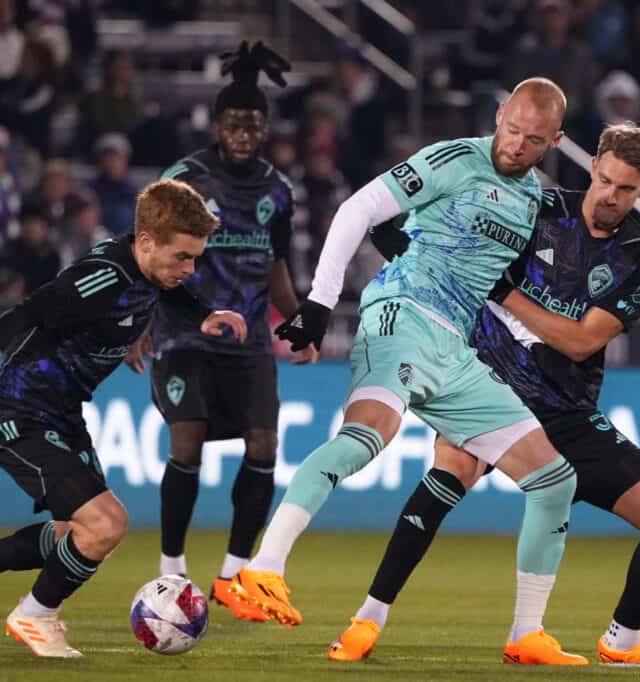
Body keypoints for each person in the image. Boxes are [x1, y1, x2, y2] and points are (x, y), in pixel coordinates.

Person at [232, 77, 587, 665]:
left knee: (555, 480)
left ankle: (526, 633)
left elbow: (491, 283)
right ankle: (263, 567)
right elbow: (360, 208)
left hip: (456, 347)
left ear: (556, 140)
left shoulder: (531, 200)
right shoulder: (456, 158)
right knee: (363, 440)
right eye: (513, 129)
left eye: (534, 140)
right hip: (402, 314)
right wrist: (319, 303)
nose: (517, 145)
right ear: (500, 114)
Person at [332, 124, 640, 666]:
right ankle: (366, 620)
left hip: (566, 409)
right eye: (603, 181)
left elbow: (579, 343)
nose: (608, 196)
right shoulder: (535, 206)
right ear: (592, 166)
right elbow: (423, 234)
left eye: (624, 189)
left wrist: (500, 291)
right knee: (448, 472)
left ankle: (623, 641)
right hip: (488, 382)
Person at [0, 179, 246, 657]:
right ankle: (34, 616)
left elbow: (166, 292)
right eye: (183, 257)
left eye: (195, 257)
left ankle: (35, 613)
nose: (190, 269)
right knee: (106, 524)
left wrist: (202, 314)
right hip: (19, 409)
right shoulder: (101, 277)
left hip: (62, 413)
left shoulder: (146, 272)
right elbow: (29, 313)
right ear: (147, 242)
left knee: (77, 534)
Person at [123, 42, 315, 624]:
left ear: (265, 128)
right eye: (233, 122)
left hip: (249, 341)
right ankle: (171, 568)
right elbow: (144, 251)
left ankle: (234, 575)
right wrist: (135, 318)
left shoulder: (278, 191)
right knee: (188, 438)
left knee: (265, 447)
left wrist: (300, 323)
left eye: (253, 123)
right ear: (216, 124)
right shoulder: (184, 181)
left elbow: (277, 267)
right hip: (184, 334)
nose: (243, 132)